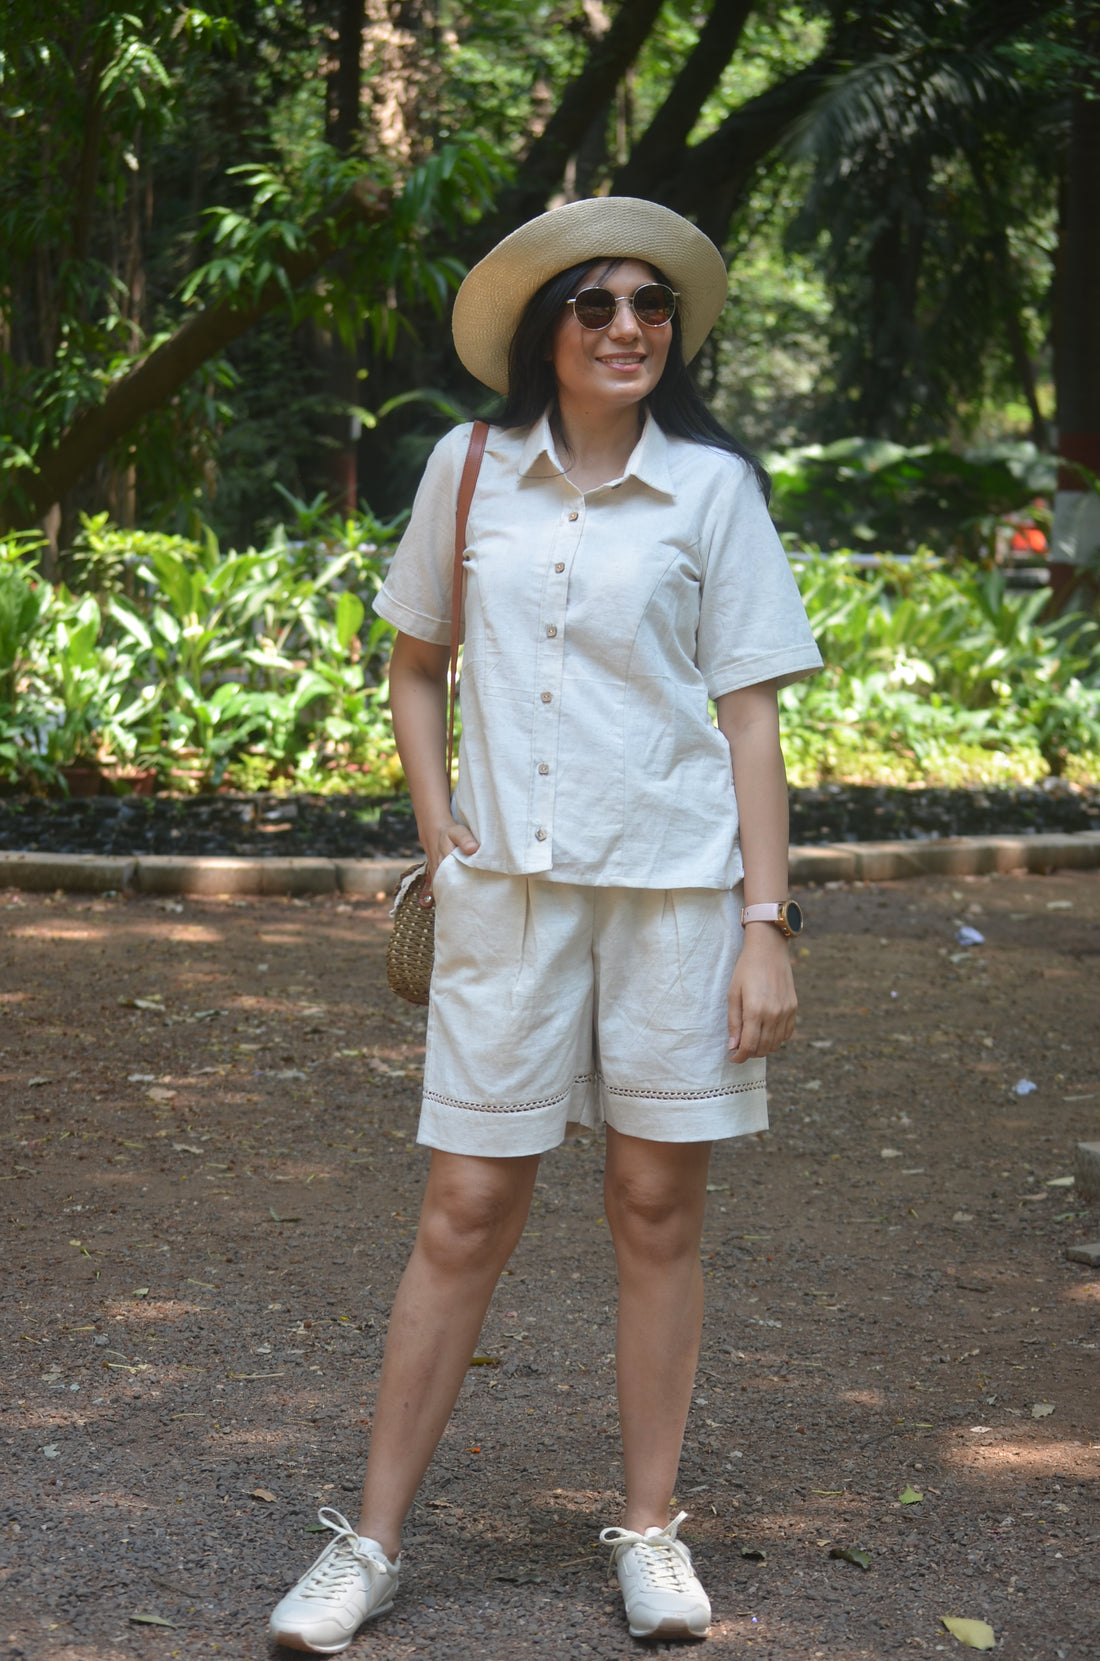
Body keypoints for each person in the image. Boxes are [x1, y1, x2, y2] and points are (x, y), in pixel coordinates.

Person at [269, 195, 822, 1653]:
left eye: (652, 304)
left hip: (677, 900)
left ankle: (650, 1532)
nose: (630, 325)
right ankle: (370, 1542)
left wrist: (768, 920)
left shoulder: (712, 491)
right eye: (597, 305)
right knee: (464, 1210)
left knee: (657, 1207)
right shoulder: (467, 472)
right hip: (507, 898)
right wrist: (435, 824)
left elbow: (751, 711)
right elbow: (413, 660)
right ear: (546, 331)